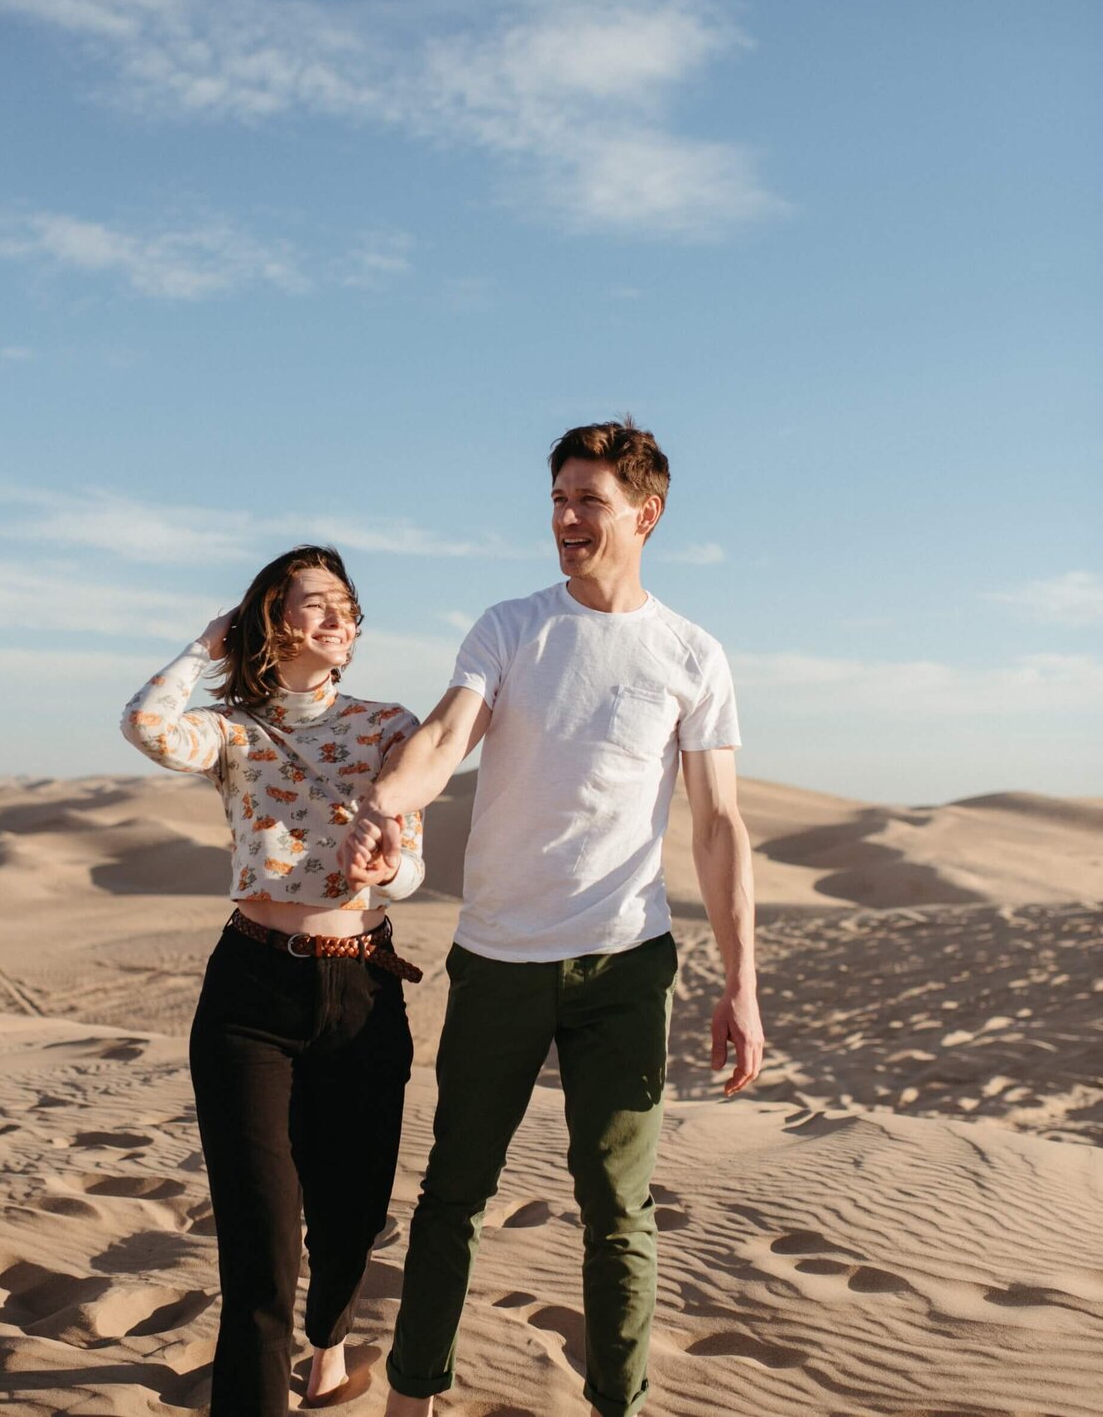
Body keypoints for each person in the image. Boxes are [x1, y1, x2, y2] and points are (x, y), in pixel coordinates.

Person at [339, 419, 764, 1417]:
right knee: (453, 1197)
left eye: (590, 503)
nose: (567, 520)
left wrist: (741, 984)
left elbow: (720, 825)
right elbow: (446, 738)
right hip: (499, 959)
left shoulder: (692, 655)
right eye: (559, 501)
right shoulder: (510, 626)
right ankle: (413, 1400)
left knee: (619, 1212)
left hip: (625, 964)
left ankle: (619, 1405)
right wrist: (385, 804)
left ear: (645, 515)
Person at [120, 544, 426, 1416]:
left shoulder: (390, 728)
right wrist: (202, 650)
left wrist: (390, 860)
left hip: (363, 985)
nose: (341, 620)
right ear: (271, 620)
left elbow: (413, 876)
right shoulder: (233, 727)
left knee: (352, 1215)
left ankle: (327, 1347)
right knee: (259, 1242)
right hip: (251, 992)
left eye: (347, 607)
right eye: (317, 604)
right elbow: (146, 726)